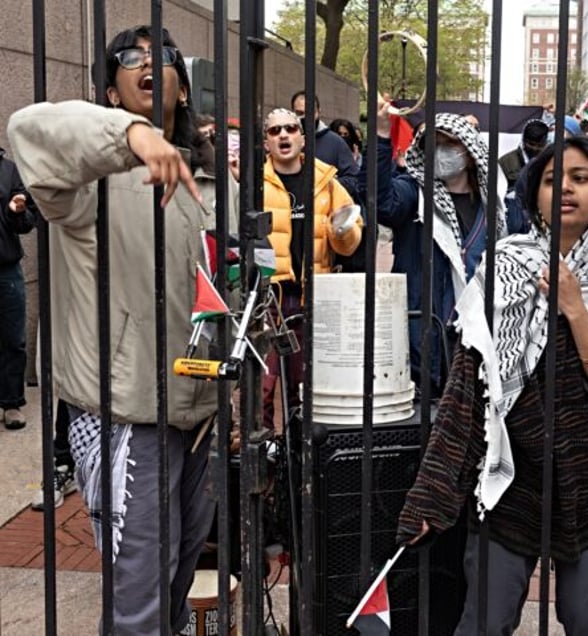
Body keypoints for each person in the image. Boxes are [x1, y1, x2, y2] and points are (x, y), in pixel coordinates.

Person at [8, 25, 238, 634]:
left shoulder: (216, 183)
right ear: (110, 93)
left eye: (159, 57)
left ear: (183, 87)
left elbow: (229, 290)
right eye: (126, 60)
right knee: (138, 594)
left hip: (202, 412)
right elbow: (29, 130)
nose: (143, 65)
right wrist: (131, 136)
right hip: (125, 414)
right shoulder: (84, 183)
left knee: (177, 580)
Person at [396, 137, 588, 635]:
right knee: (485, 620)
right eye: (550, 179)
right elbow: (465, 394)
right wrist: (432, 494)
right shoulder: (504, 268)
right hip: (508, 482)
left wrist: (576, 309)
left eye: (581, 178)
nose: (564, 188)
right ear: (534, 194)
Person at [365, 110, 508, 393]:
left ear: (468, 153)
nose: (441, 153)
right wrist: (381, 137)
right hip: (425, 332)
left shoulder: (495, 208)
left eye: (449, 145)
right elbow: (379, 201)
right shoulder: (414, 194)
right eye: (433, 146)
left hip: (480, 334)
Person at [261, 107, 362, 430]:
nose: (284, 136)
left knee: (302, 384)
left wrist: (342, 231)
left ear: (303, 138)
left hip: (314, 296)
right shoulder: (253, 183)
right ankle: (261, 459)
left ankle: (299, 459)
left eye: (290, 129)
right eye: (275, 131)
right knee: (262, 384)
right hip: (269, 298)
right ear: (266, 142)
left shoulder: (326, 182)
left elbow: (350, 240)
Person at [0, 146, 37, 430]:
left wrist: (17, 211)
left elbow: (27, 222)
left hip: (6, 268)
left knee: (13, 338)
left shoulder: (9, 170)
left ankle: (12, 403)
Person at [290, 90, 359, 198]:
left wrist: (330, 184)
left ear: (319, 112)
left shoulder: (336, 142)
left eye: (310, 112)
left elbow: (354, 179)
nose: (305, 117)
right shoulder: (285, 141)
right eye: (300, 113)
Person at [498, 118, 548, 193]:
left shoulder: (550, 163)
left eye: (539, 145)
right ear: (523, 141)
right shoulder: (505, 162)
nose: (535, 148)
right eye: (531, 144)